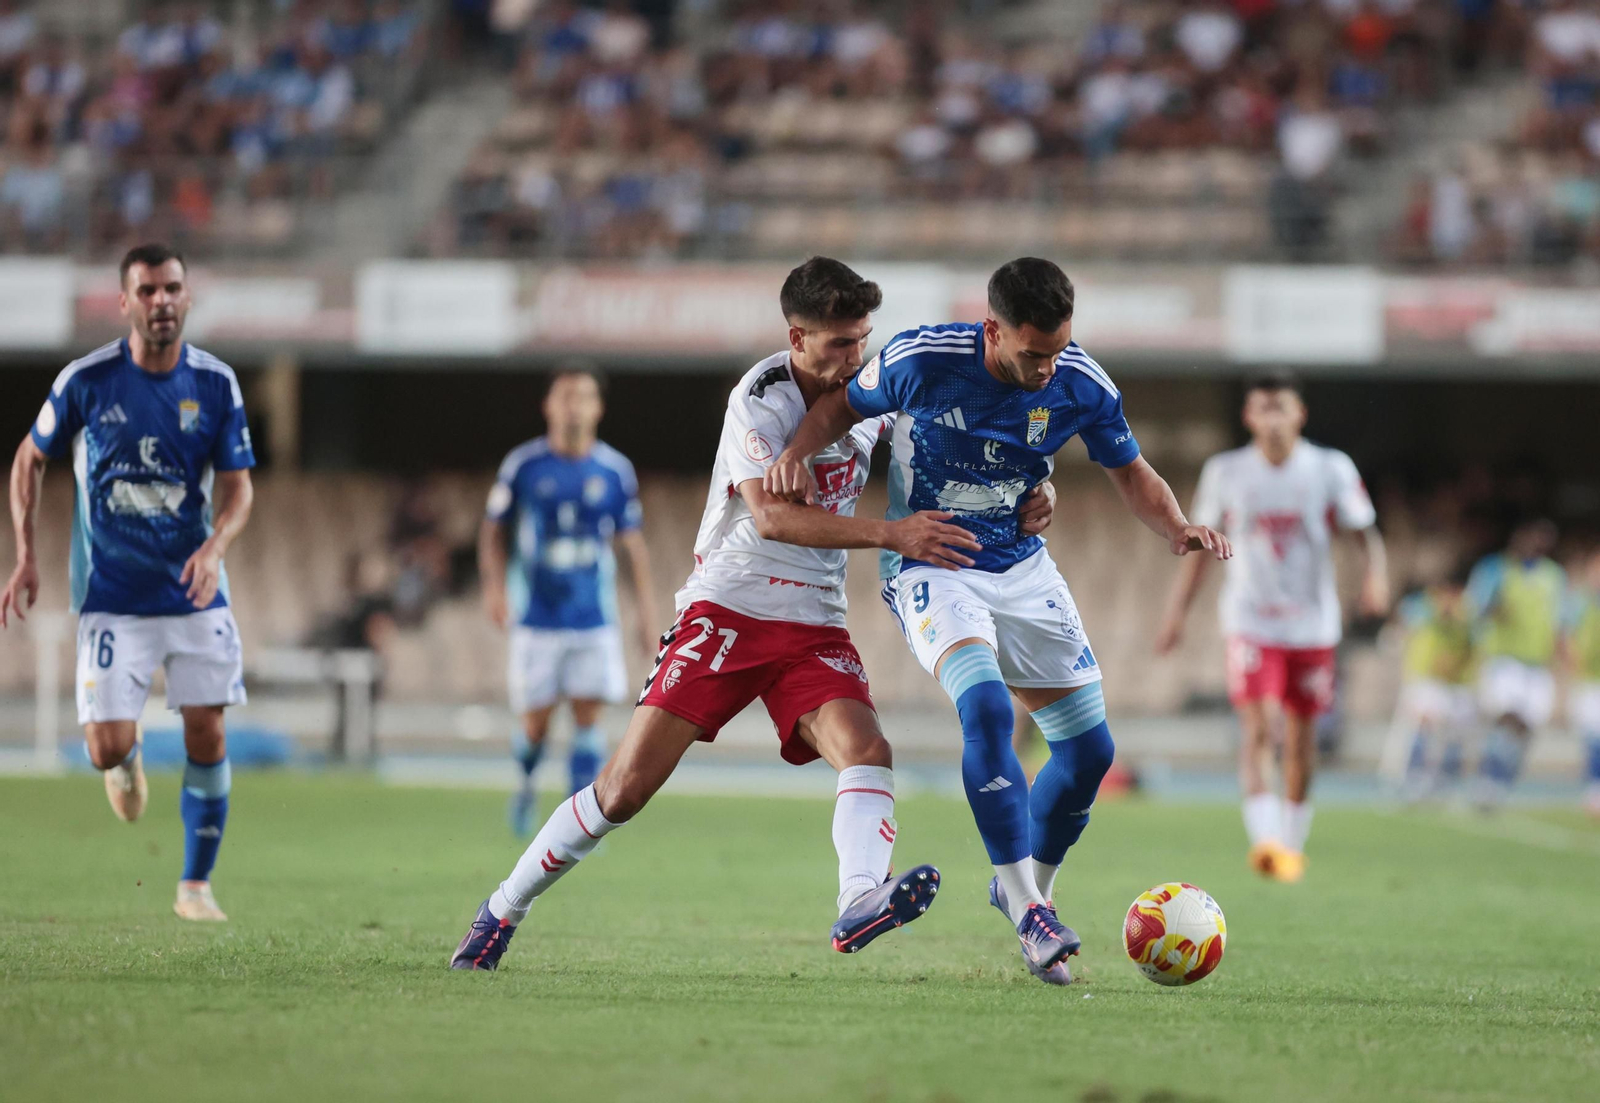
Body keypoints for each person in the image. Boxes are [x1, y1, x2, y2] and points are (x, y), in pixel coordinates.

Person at [450, 257, 1058, 971]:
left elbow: (956, 450)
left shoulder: (873, 390)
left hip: (814, 621)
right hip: (731, 606)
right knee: (623, 789)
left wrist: (1033, 493)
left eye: (861, 340)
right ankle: (502, 908)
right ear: (796, 337)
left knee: (866, 750)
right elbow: (769, 517)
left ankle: (859, 898)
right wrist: (891, 533)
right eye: (838, 344)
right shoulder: (761, 395)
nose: (853, 359)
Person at [764, 257, 1229, 985]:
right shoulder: (922, 359)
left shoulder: (1082, 381)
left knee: (1089, 755)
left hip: (1021, 565)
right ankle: (1028, 911)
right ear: (993, 330)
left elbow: (1130, 469)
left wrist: (1175, 526)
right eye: (1033, 352)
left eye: (1058, 348)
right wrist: (794, 452)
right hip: (931, 561)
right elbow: (841, 407)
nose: (1048, 367)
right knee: (984, 706)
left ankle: (1025, 885)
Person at [0, 243, 255, 922]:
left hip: (194, 591)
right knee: (105, 744)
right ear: (125, 302)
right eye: (146, 291)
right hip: (112, 595)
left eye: (171, 288)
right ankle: (125, 760)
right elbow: (29, 458)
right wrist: (25, 554)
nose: (161, 301)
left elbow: (239, 490)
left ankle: (195, 886)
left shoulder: (216, 384)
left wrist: (215, 545)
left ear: (187, 297)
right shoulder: (88, 381)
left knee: (208, 731)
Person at [1155, 373, 1387, 883]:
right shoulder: (1227, 472)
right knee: (1258, 727)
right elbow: (1199, 551)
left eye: (1282, 407)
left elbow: (1364, 534)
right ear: (1249, 417)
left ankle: (1291, 845)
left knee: (1302, 740)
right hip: (1251, 620)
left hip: (1312, 626)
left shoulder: (1330, 468)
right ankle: (1264, 843)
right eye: (1264, 408)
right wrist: (1176, 613)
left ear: (1300, 414)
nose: (1274, 418)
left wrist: (1375, 579)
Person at [480, 369, 656, 836]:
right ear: (549, 406)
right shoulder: (524, 466)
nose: (575, 405)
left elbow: (631, 545)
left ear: (598, 408)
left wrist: (646, 615)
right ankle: (525, 783)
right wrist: (494, 588)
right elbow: (493, 530)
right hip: (536, 618)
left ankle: (575, 825)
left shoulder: (615, 471)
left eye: (584, 397)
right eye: (566, 396)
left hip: (592, 619)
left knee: (587, 719)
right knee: (535, 726)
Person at [1466, 519, 1565, 807]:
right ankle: (1489, 779)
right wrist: (1494, 610)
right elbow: (1476, 609)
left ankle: (1501, 776)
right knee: (1507, 718)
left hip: (1537, 662)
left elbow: (1560, 620)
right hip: (1504, 659)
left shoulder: (1553, 576)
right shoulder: (1495, 570)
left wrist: (1560, 658)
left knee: (1528, 726)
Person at [1380, 569, 1476, 802]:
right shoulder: (1421, 605)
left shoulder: (1468, 609)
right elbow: (1399, 629)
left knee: (1450, 733)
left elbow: (1472, 641)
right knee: (1421, 724)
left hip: (1453, 681)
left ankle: (1440, 779)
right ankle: (1411, 778)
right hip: (1423, 677)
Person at [1563, 548, 1600, 817]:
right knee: (1593, 738)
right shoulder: (1581, 603)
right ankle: (1594, 790)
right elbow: (1566, 637)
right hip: (1590, 682)